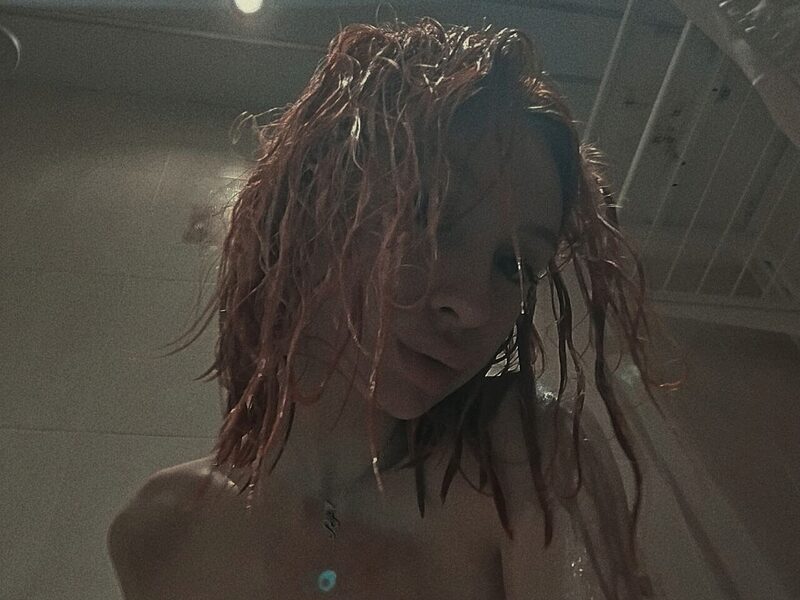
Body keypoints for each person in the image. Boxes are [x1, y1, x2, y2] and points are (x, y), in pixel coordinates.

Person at [108, 17, 674, 599]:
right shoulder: (159, 531)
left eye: (514, 265)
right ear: (308, 206)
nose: (473, 304)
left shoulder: (528, 465)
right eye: (427, 218)